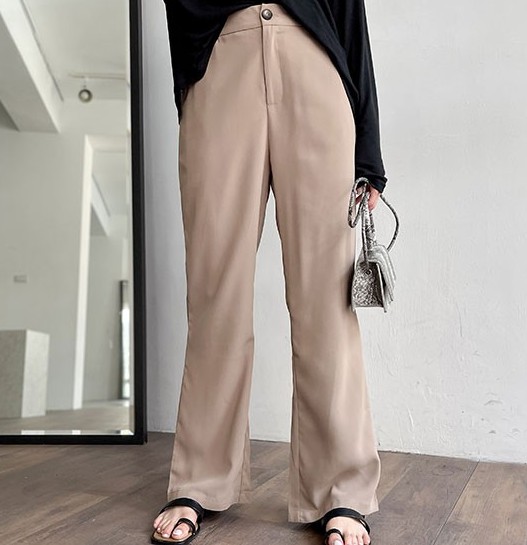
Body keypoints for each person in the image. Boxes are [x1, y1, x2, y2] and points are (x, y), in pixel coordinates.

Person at [151, 2, 388, 545]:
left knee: (327, 299)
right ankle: (200, 478)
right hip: (221, 63)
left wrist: (369, 152)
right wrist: (193, 79)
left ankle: (342, 489)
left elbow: (350, 15)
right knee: (216, 292)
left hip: (315, 67)